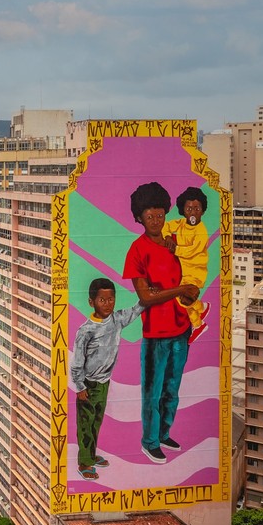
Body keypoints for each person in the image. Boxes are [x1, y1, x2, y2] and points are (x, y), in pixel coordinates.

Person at [123, 182, 201, 464]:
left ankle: (165, 433)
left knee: (172, 388)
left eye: (160, 215)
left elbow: (189, 277)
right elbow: (146, 296)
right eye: (149, 216)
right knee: (152, 392)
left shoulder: (173, 244)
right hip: (155, 332)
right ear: (139, 218)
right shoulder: (137, 250)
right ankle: (150, 441)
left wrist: (185, 294)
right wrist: (179, 290)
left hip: (181, 328)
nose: (156, 221)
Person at [69, 278, 143, 480]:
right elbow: (77, 362)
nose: (108, 304)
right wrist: (80, 387)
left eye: (111, 299)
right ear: (92, 302)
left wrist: (147, 297)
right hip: (88, 384)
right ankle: (84, 463)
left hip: (103, 382)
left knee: (96, 422)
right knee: (85, 425)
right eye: (102, 300)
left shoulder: (117, 320)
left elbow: (136, 309)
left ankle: (91, 456)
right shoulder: (86, 330)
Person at [162, 186, 212, 343]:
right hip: (183, 270)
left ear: (202, 211)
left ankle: (198, 325)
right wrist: (168, 236)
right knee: (184, 298)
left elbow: (192, 250)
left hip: (197, 270)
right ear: (183, 210)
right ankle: (201, 308)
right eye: (189, 208)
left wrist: (175, 249)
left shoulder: (201, 231)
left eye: (197, 208)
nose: (193, 212)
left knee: (183, 298)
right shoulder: (181, 223)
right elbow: (166, 226)